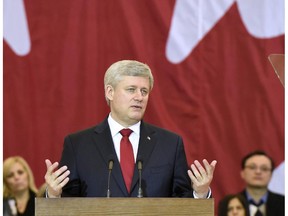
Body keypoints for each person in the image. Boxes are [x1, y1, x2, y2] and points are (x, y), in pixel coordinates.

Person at [44, 59, 217, 198]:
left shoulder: (170, 144)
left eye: (144, 91)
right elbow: (68, 201)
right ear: (110, 92)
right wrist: (53, 195)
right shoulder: (78, 144)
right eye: (131, 89)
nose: (139, 97)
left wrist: (200, 193)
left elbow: (182, 199)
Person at [238, 150, 284, 216]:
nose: (258, 172)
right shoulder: (231, 203)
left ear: (271, 175)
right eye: (252, 167)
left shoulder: (284, 203)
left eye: (264, 168)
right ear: (242, 173)